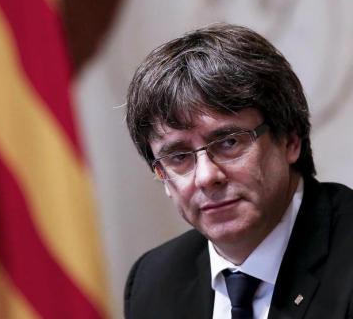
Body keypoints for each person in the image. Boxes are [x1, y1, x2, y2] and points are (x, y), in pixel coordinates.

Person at [123, 23, 353, 319]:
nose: (206, 177)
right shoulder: (155, 283)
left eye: (229, 142)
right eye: (179, 156)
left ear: (290, 139)